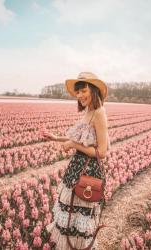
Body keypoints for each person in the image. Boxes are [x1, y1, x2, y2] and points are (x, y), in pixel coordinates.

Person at [41, 72, 111, 250]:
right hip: (76, 169)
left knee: (78, 219)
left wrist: (73, 144)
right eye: (77, 92)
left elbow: (101, 152)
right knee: (69, 217)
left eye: (83, 91)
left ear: (93, 90)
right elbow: (80, 141)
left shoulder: (99, 113)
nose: (79, 96)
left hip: (88, 171)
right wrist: (56, 138)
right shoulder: (89, 111)